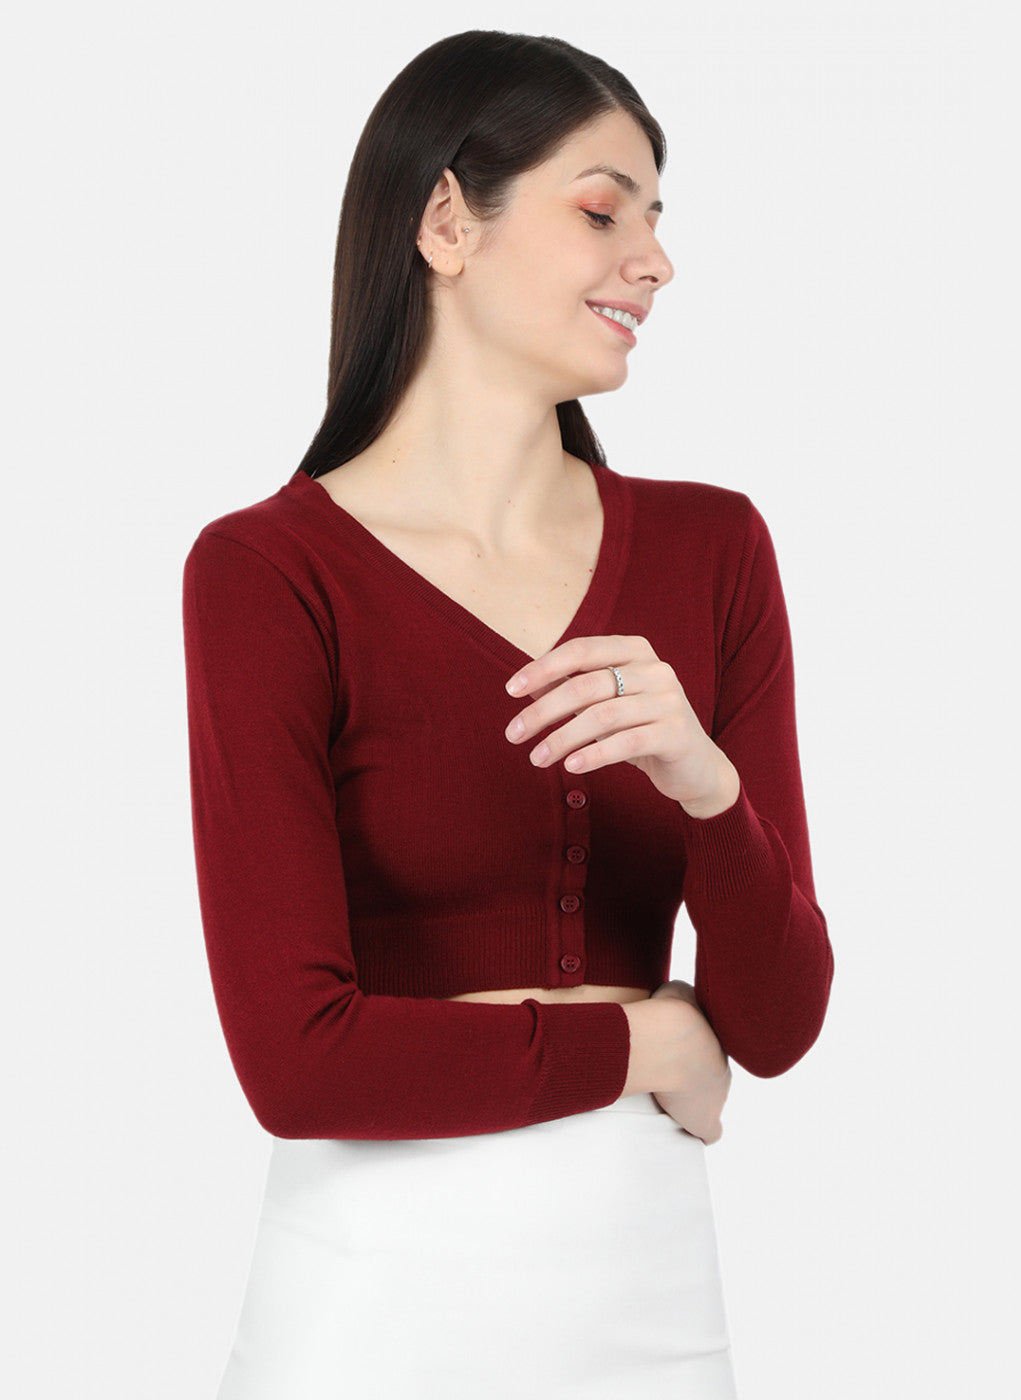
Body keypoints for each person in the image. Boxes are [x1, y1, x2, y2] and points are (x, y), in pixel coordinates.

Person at [182, 29, 833, 1400]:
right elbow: (299, 1063)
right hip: (367, 1309)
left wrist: (707, 788)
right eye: (603, 211)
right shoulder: (267, 574)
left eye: (657, 219)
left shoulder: (714, 550)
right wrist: (646, 1037)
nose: (654, 262)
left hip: (654, 1303)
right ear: (445, 222)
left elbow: (776, 1024)